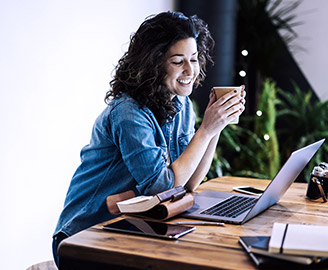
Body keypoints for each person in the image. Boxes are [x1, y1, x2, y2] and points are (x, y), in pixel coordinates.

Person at [52, 11, 245, 267]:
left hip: (133, 228)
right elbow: (161, 186)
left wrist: (217, 127)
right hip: (85, 239)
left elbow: (186, 184)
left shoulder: (181, 103)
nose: (190, 70)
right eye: (178, 61)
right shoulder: (128, 113)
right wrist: (206, 130)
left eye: (194, 59)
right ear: (154, 63)